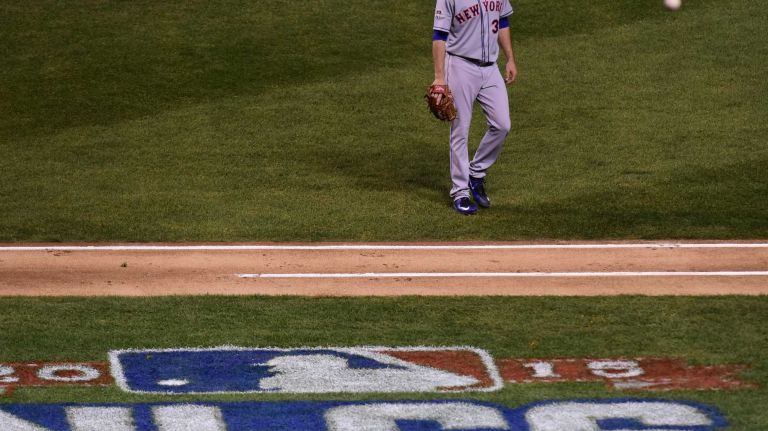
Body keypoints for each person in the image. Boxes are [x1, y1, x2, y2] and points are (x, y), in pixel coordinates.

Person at [431, 0, 518, 215]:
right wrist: (439, 78)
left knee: (502, 125)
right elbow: (439, 36)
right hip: (461, 66)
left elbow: (503, 20)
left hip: (490, 69)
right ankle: (460, 192)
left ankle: (476, 174)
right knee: (460, 130)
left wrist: (510, 58)